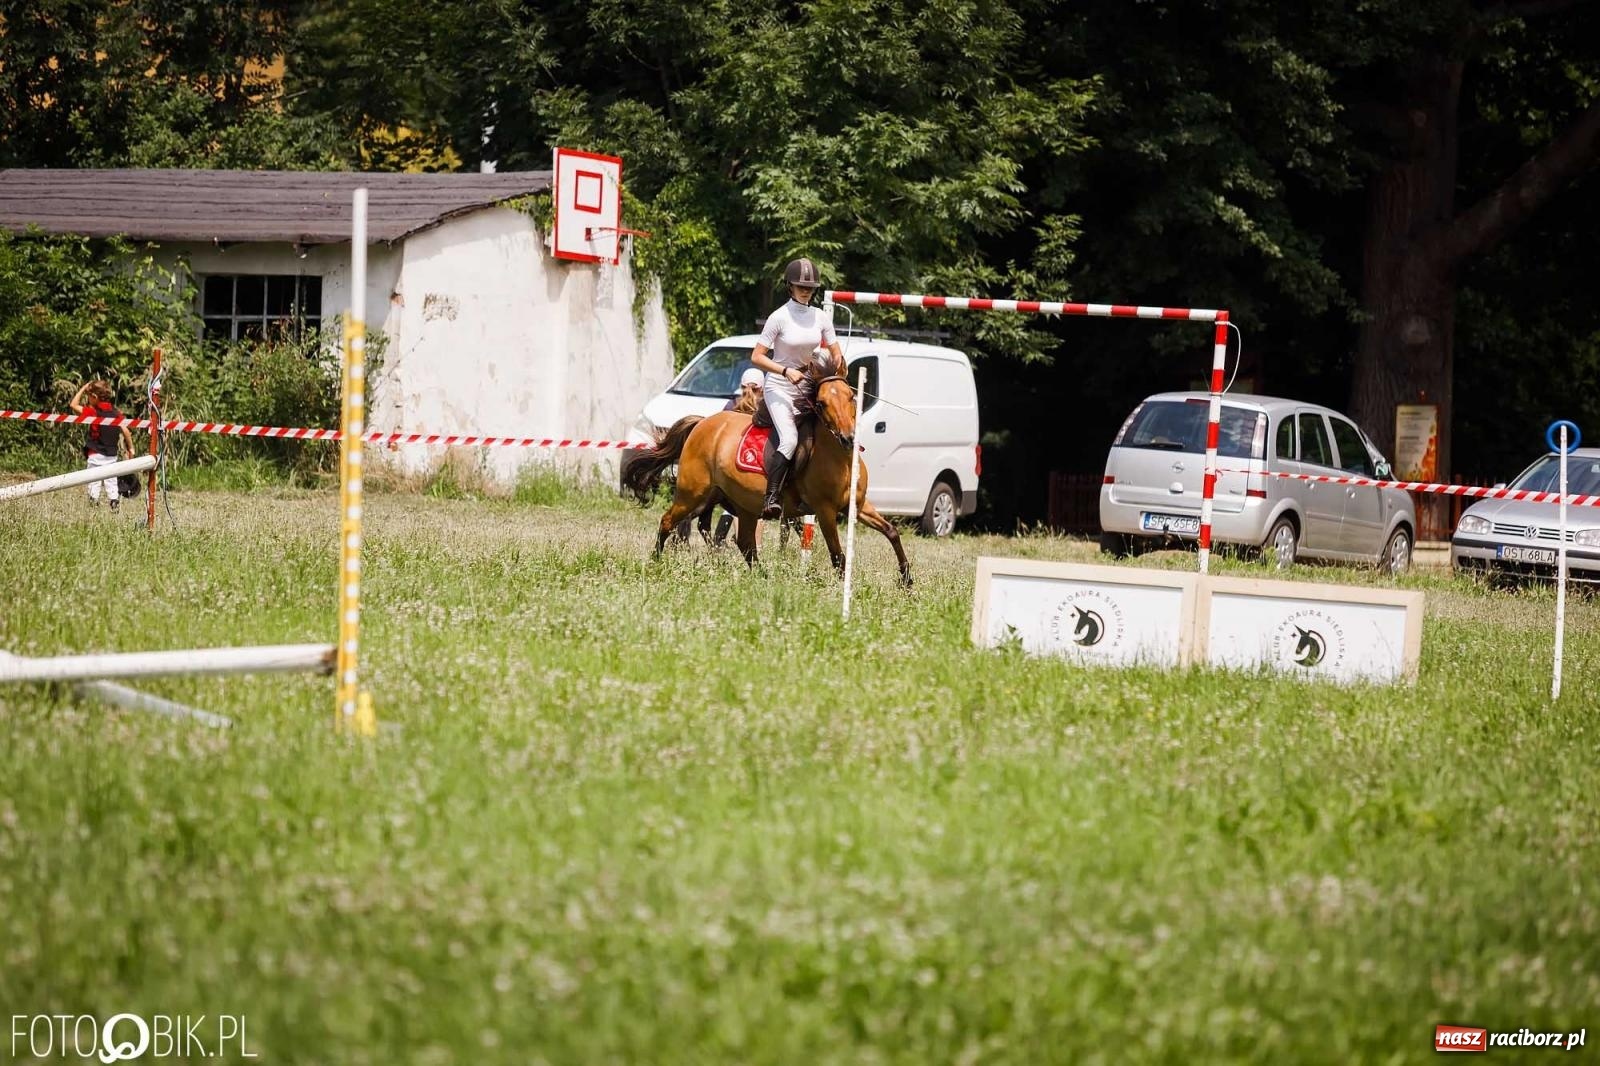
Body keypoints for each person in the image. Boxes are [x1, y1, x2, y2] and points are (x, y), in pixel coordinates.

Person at [748, 257, 846, 518]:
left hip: (807, 385)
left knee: (823, 434)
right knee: (790, 439)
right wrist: (784, 370)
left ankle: (808, 493)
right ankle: (771, 497)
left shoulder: (821, 317)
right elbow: (756, 357)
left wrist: (838, 366)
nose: (806, 290)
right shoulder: (778, 317)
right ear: (789, 286)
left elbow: (835, 352)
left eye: (811, 287)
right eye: (801, 286)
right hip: (779, 386)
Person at [69, 380, 133, 510]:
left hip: (95, 454)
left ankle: (94, 503)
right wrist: (130, 447)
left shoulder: (93, 412)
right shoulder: (116, 413)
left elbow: (73, 404)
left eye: (89, 397)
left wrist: (83, 388)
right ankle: (114, 502)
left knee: (94, 480)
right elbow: (126, 431)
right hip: (111, 456)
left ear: (94, 397)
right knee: (111, 481)